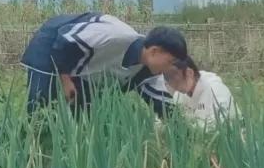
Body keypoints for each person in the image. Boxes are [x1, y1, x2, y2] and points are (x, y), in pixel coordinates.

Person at [20, 13, 188, 115]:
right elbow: (64, 38)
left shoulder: (148, 73)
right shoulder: (115, 36)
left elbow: (163, 107)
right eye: (171, 62)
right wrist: (65, 80)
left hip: (85, 70)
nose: (171, 69)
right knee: (39, 108)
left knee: (83, 116)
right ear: (154, 51)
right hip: (51, 45)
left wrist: (188, 138)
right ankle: (27, 152)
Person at [156, 56, 236, 129]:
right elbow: (169, 119)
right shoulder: (180, 94)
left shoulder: (215, 89)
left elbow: (220, 123)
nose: (171, 84)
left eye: (173, 78)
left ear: (189, 73)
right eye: (167, 79)